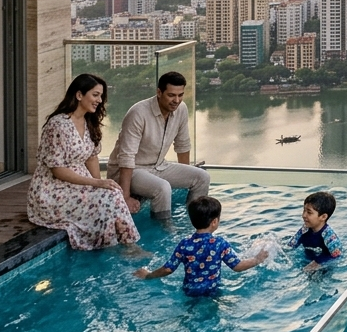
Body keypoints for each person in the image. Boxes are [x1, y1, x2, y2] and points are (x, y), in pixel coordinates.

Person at [27, 74, 140, 251]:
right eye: (95, 95)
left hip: (80, 184)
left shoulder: (89, 121)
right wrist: (96, 183)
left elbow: (91, 157)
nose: (99, 100)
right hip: (53, 189)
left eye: (101, 96)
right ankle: (121, 247)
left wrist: (101, 185)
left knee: (111, 193)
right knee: (110, 197)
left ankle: (124, 244)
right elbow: (57, 170)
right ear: (79, 95)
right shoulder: (58, 124)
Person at [109, 71, 210, 220]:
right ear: (159, 92)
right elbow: (126, 157)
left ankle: (192, 223)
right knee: (162, 188)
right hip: (133, 169)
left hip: (160, 166)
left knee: (202, 177)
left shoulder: (181, 109)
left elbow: (182, 145)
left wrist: (185, 175)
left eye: (180, 95)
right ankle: (163, 230)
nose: (176, 100)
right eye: (171, 95)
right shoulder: (138, 113)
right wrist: (125, 197)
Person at [134, 196, 267, 296]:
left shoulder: (184, 244)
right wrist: (257, 259)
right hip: (212, 291)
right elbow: (237, 267)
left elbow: (168, 269)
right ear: (214, 222)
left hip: (189, 292)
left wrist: (148, 275)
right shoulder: (220, 243)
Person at [286, 190, 345, 273]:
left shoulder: (329, 236)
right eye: (304, 210)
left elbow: (337, 256)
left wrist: (318, 263)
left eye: (309, 212)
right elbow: (291, 246)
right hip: (305, 262)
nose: (303, 215)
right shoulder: (304, 230)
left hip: (323, 268)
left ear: (323, 217)